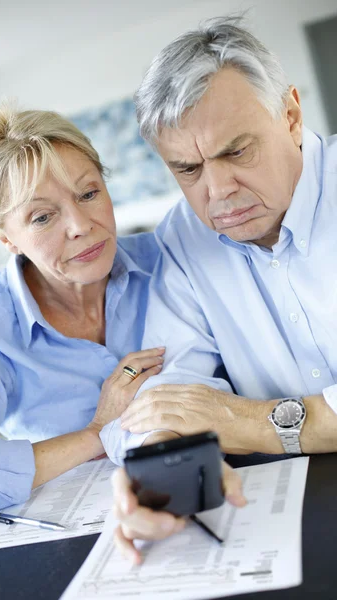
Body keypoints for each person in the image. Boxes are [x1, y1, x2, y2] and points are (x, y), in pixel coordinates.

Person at [104, 16, 337, 559]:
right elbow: (174, 386)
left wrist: (251, 423)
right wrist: (160, 466)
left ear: (291, 115)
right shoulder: (184, 241)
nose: (218, 191)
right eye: (187, 169)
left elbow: (225, 417)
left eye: (237, 152)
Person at [0, 105, 166, 521]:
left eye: (89, 193)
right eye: (42, 217)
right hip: (77, 536)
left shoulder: (168, 262)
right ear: (6, 238)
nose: (80, 224)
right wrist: (95, 434)